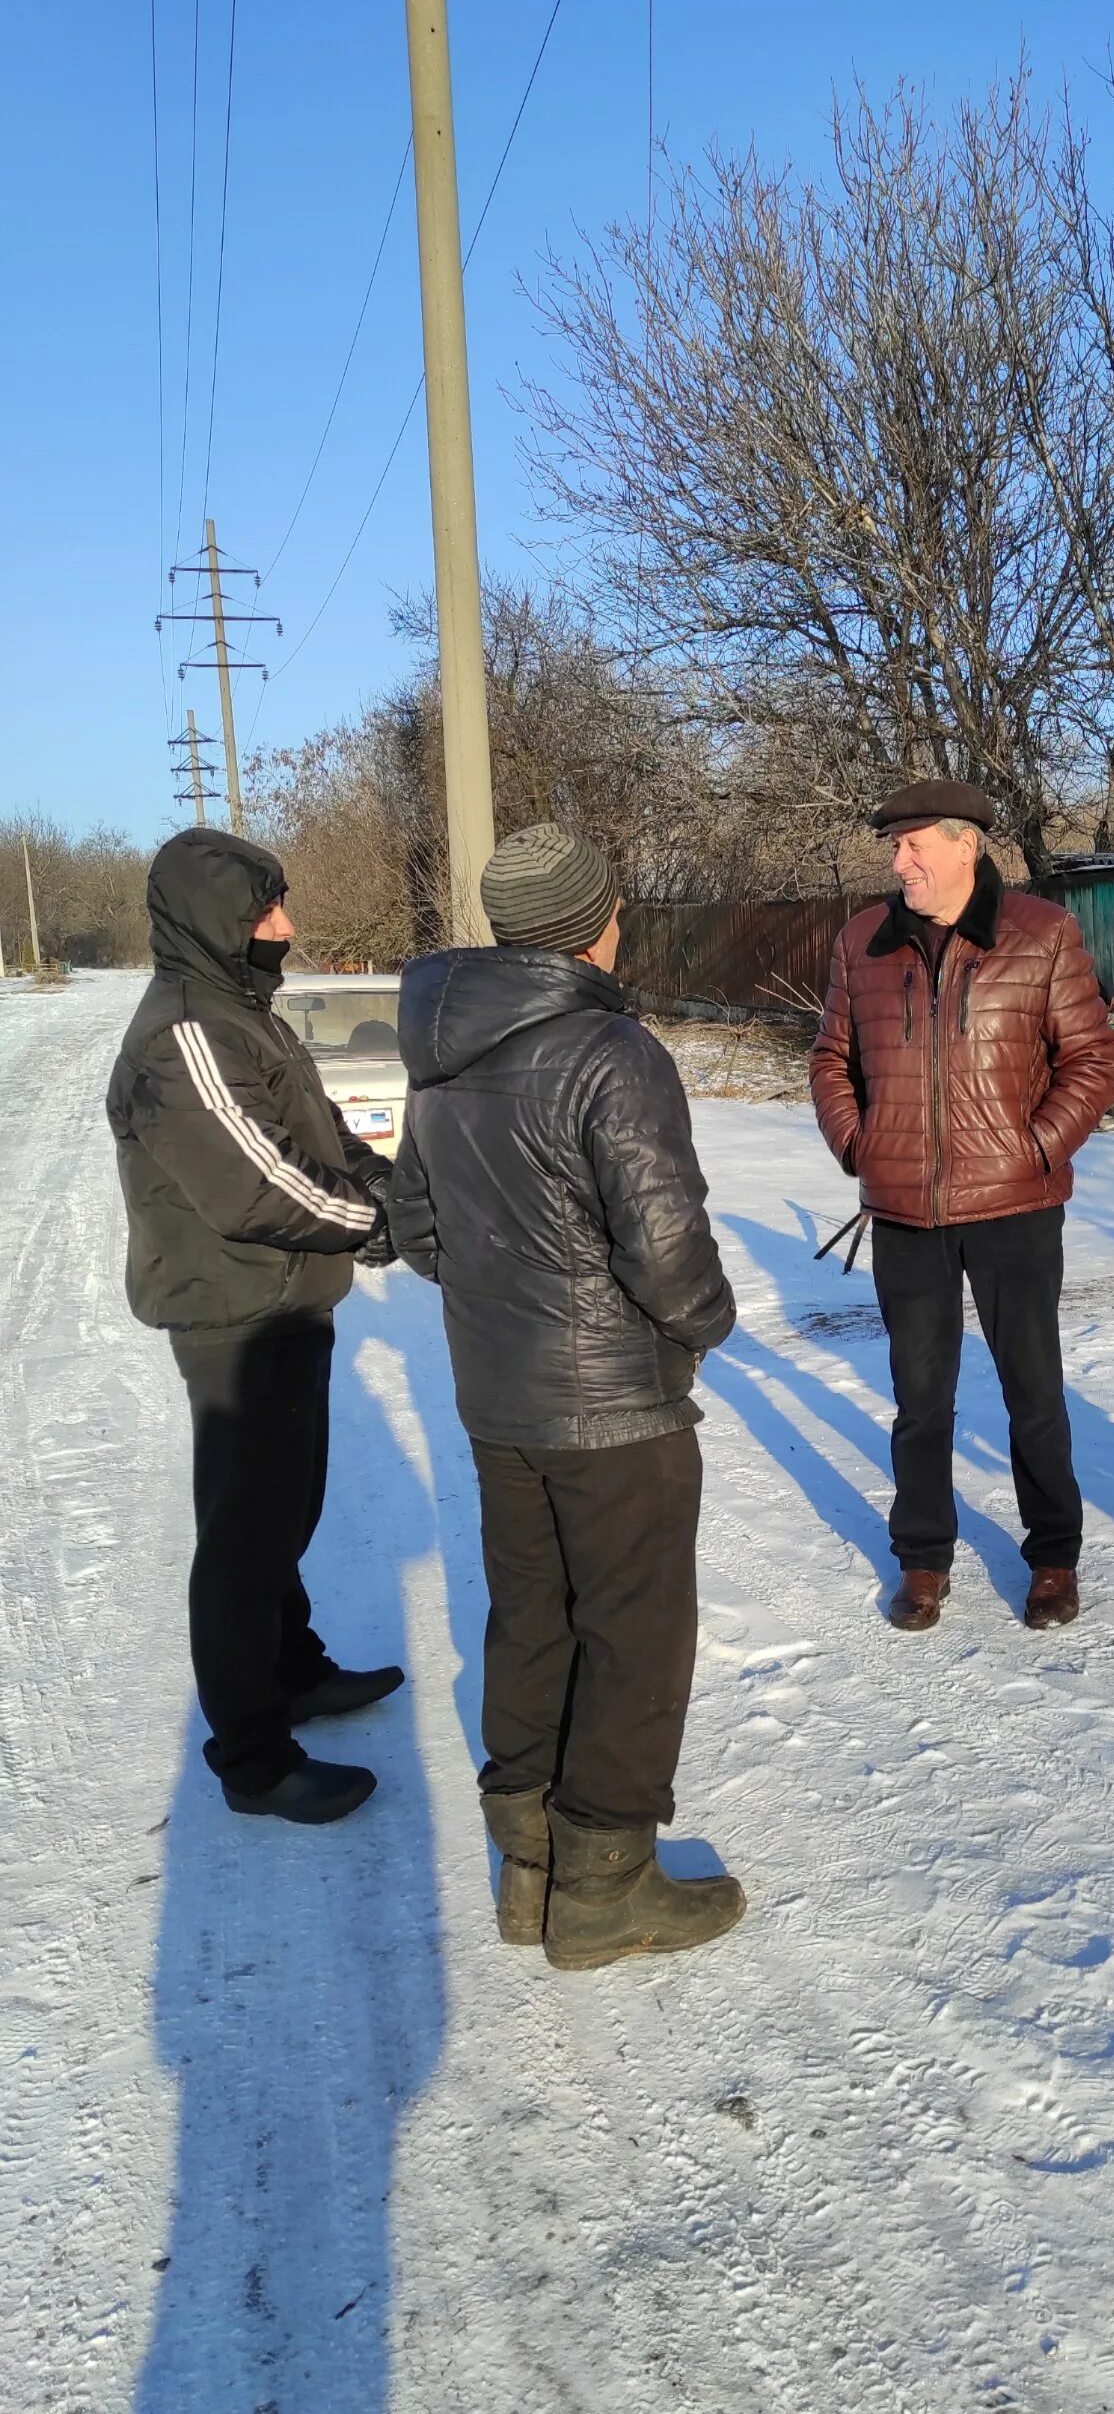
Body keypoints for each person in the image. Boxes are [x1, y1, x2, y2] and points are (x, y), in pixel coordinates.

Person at [388, 822, 742, 1968]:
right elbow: (664, 1242)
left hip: (500, 1401)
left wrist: (508, 1296)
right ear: (597, 922)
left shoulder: (439, 1054)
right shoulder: (610, 1050)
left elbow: (417, 1228)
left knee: (532, 1620)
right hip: (615, 1410)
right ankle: (603, 1884)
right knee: (635, 1632)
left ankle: (527, 1861)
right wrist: (703, 1326)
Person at [106, 828, 402, 1825]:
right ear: (212, 924)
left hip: (279, 1301)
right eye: (263, 913)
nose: (286, 927)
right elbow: (255, 1183)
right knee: (243, 1535)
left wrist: (384, 1181)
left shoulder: (242, 1014)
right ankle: (253, 1755)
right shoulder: (185, 1030)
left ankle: (294, 1668)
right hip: (237, 1309)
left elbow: (310, 1134)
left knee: (283, 1512)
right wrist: (374, 1221)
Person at [810, 779, 1114, 1633]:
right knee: (920, 1396)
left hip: (1015, 1209)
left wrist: (1035, 1149)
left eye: (913, 844)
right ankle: (921, 1559)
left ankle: (1053, 1555)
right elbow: (830, 1060)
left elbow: (1092, 1059)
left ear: (965, 846)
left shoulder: (1040, 934)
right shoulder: (862, 942)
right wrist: (858, 1144)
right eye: (894, 845)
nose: (897, 860)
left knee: (1033, 1392)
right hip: (905, 1211)